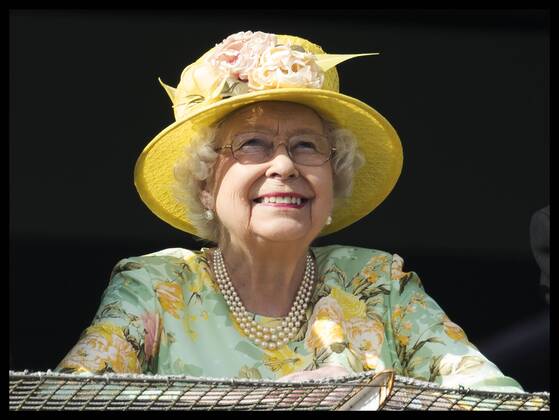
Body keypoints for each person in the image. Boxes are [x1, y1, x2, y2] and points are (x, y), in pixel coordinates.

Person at [55, 31, 524, 392]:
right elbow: (67, 398)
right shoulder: (158, 286)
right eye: (253, 144)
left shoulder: (378, 283)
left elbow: (495, 399)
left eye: (306, 146)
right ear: (204, 184)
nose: (284, 165)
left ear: (333, 177)